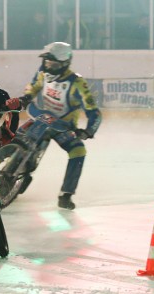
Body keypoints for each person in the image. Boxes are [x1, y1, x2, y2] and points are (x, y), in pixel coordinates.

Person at [11, 41, 102, 210]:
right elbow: (33, 86)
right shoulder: (43, 73)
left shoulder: (77, 83)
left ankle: (66, 194)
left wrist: (89, 131)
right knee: (12, 139)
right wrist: (26, 97)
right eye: (46, 62)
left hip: (63, 127)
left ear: (64, 64)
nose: (48, 67)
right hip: (41, 117)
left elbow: (94, 112)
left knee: (78, 151)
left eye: (53, 64)